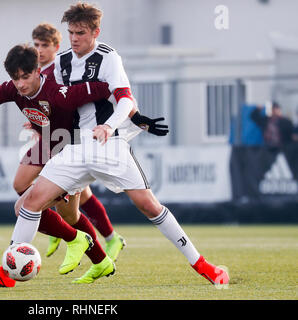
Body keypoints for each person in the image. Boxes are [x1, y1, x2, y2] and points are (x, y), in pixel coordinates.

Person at [12, 2, 229, 285]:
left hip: (109, 146)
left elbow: (125, 98)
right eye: (71, 33)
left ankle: (202, 265)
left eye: (80, 33)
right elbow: (56, 101)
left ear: (95, 32)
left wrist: (110, 125)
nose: (74, 38)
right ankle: (10, 271)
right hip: (76, 147)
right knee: (25, 204)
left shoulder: (109, 57)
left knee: (148, 206)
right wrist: (42, 121)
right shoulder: (62, 62)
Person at [0, 44, 129, 287]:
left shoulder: (56, 91)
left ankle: (70, 244)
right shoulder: (14, 89)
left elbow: (106, 89)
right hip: (51, 146)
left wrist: (130, 110)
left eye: (25, 77)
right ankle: (98, 258)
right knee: (44, 202)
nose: (20, 84)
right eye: (15, 78)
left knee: (33, 208)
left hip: (73, 155)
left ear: (37, 71)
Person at [18, 23, 128, 261]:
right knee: (21, 185)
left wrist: (130, 115)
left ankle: (102, 242)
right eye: (35, 45)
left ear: (57, 47)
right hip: (51, 138)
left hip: (69, 139)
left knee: (73, 202)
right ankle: (63, 227)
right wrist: (35, 119)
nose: (39, 50)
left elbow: (90, 95)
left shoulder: (63, 67)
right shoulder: (37, 72)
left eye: (44, 45)